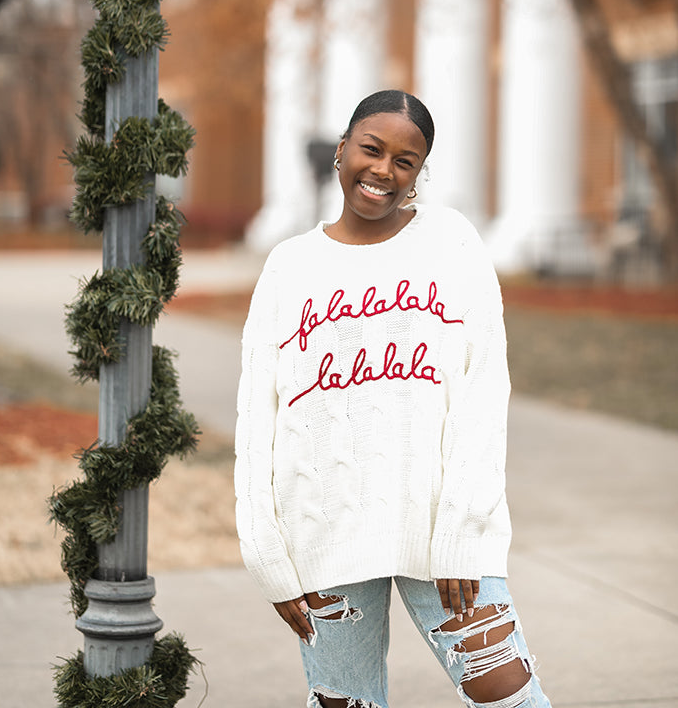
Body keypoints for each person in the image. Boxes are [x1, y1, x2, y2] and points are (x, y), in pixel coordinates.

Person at [235, 90, 551, 708]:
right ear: (341, 153)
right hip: (322, 534)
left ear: (418, 174)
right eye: (371, 149)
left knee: (511, 698)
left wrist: (462, 529)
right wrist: (266, 556)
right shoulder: (288, 267)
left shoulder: (452, 243)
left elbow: (484, 393)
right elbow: (257, 419)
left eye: (405, 161)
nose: (383, 170)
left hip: (441, 531)